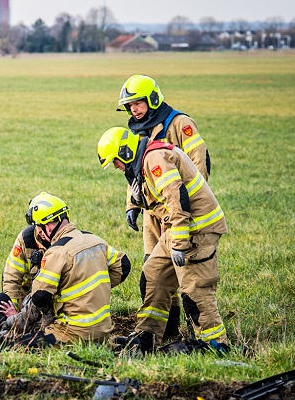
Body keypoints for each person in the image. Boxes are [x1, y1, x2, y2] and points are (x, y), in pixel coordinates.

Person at [97, 127, 229, 354]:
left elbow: (177, 198)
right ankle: (147, 335)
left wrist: (178, 244)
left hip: (197, 230)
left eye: (116, 162)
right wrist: (135, 204)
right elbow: (152, 194)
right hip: (178, 228)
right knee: (153, 276)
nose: (117, 168)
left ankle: (215, 345)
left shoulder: (154, 158)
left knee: (195, 290)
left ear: (126, 152)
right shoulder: (143, 160)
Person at [118, 74, 212, 339]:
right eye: (129, 106)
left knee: (186, 272)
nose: (134, 109)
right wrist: (132, 205)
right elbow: (134, 171)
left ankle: (199, 334)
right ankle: (166, 332)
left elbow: (199, 163)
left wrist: (186, 208)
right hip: (153, 215)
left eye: (138, 103)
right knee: (154, 272)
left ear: (153, 98)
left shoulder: (180, 123)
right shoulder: (139, 129)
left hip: (178, 212)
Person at [0, 192, 130, 349]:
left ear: (48, 225)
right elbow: (123, 265)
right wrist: (95, 291)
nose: (39, 232)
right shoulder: (95, 240)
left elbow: (40, 298)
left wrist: (14, 319)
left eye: (40, 227)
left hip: (69, 333)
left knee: (13, 346)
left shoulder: (57, 251)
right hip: (102, 333)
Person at [0, 195, 49, 339]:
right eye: (37, 225)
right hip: (25, 302)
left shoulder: (63, 244)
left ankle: (10, 341)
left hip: (46, 305)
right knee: (2, 301)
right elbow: (12, 278)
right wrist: (14, 314)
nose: (41, 231)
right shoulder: (26, 239)